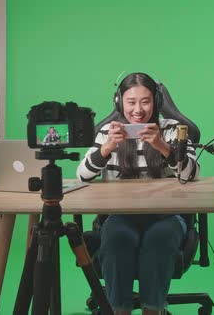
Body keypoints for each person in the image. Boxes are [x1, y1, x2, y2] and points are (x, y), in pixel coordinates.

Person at [76, 72, 199, 315]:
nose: (138, 110)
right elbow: (82, 175)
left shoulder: (173, 129)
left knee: (159, 239)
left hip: (167, 217)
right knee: (116, 237)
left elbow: (191, 174)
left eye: (145, 101)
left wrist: (162, 146)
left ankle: (154, 310)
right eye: (131, 102)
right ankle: (118, 310)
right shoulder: (107, 133)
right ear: (119, 102)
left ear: (156, 102)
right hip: (121, 216)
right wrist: (108, 147)